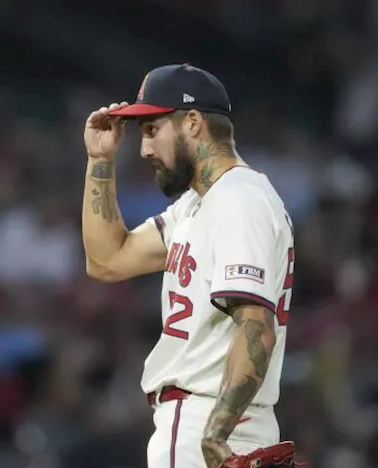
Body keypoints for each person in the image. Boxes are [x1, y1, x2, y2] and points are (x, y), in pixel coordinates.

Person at [80, 64, 299, 468]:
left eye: (152, 130)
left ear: (193, 123)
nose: (144, 149)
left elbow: (255, 327)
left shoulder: (238, 198)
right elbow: (108, 260)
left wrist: (216, 432)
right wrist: (100, 161)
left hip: (206, 422)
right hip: (223, 420)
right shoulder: (200, 203)